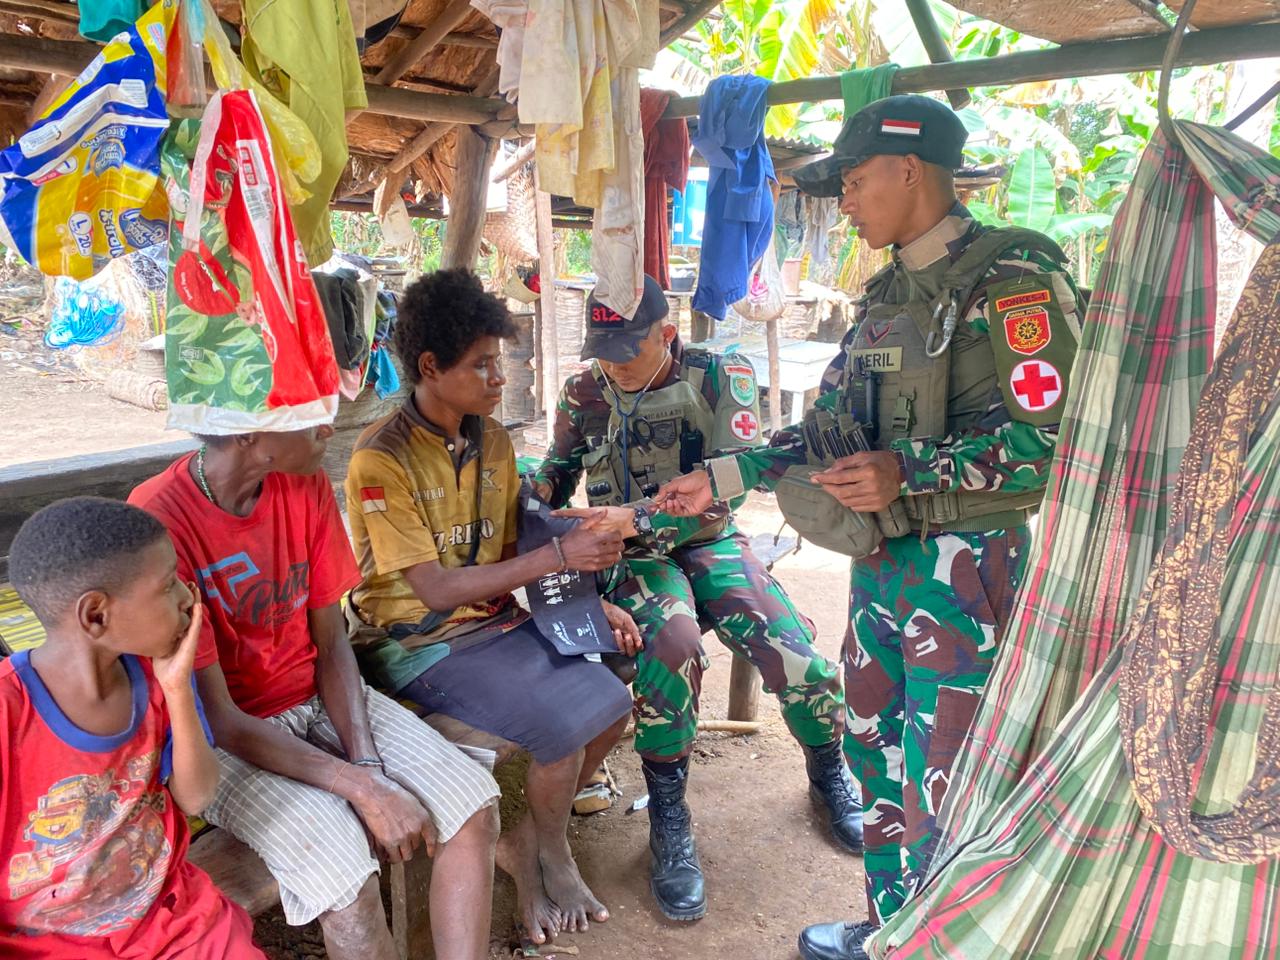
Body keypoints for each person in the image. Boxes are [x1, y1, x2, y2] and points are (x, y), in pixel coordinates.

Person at [656, 94, 1085, 960]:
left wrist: (910, 471)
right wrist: (722, 475)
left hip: (972, 567)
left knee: (949, 769)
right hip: (882, 566)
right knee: (878, 750)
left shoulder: (1016, 280)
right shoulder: (885, 297)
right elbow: (819, 435)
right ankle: (892, 930)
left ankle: (945, 941)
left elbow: (1057, 446)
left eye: (853, 182)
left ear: (910, 169)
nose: (845, 201)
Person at [530, 275, 863, 923]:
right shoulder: (585, 392)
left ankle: (828, 771)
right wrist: (525, 501)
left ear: (668, 334)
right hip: (631, 560)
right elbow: (556, 472)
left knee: (786, 643)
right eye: (605, 347)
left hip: (708, 539)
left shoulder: (719, 376)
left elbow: (734, 488)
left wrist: (643, 519)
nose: (617, 362)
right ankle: (670, 817)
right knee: (674, 645)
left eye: (630, 347)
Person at [129, 418, 501, 960]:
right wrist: (365, 790)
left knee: (474, 812)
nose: (328, 427)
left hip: (317, 697)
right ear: (247, 435)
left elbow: (332, 643)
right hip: (223, 740)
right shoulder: (161, 517)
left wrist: (367, 764)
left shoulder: (301, 481)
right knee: (345, 884)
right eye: (306, 416)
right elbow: (223, 719)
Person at [343, 267, 635, 946]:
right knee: (564, 723)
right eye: (483, 366)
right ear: (429, 366)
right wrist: (561, 559)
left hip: (493, 624)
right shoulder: (379, 460)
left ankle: (536, 837)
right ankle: (541, 856)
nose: (500, 379)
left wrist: (587, 574)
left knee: (615, 698)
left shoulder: (493, 441)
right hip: (415, 642)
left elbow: (524, 540)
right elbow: (435, 591)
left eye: (499, 363)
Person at [2, 497, 265, 959]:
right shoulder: (9, 713)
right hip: (47, 945)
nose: (188, 596)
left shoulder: (155, 678)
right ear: (96, 616)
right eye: (167, 586)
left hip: (170, 917)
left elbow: (197, 797)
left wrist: (178, 687)